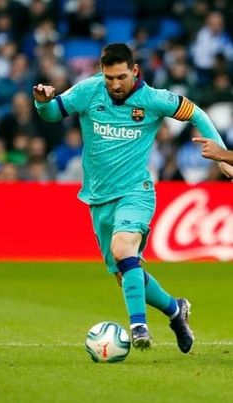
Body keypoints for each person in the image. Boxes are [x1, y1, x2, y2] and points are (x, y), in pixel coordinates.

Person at [33, 43, 232, 353]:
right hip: (98, 199)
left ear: (135, 71)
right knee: (126, 273)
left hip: (135, 193)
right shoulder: (88, 91)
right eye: (109, 77)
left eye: (121, 77)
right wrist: (41, 101)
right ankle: (175, 310)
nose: (114, 84)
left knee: (123, 247)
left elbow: (196, 112)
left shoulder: (153, 99)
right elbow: (52, 113)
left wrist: (221, 154)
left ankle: (138, 327)